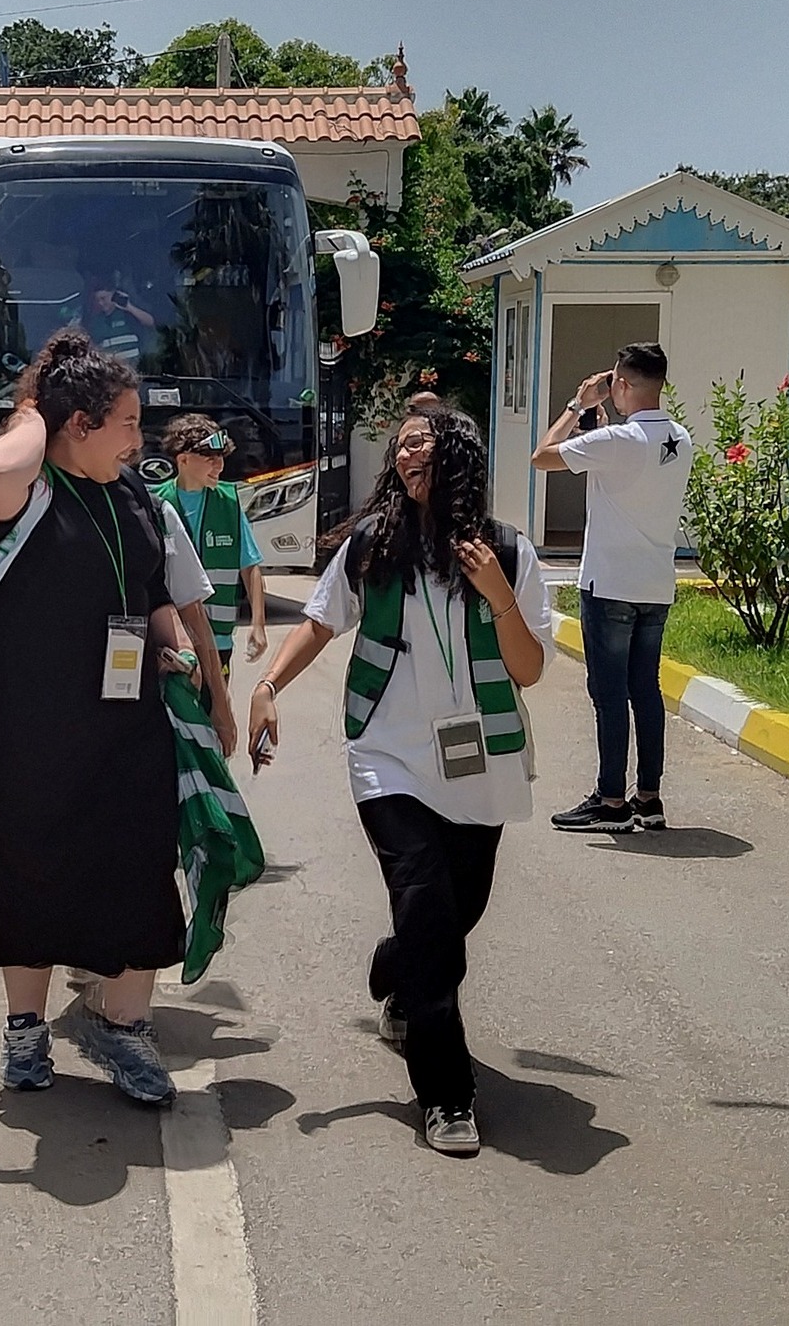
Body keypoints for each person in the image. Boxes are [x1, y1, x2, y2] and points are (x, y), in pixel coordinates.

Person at [248, 397, 553, 1157]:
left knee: (452, 917)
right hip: (389, 760)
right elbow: (319, 621)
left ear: (458, 460)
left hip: (479, 763)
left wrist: (499, 596)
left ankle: (397, 973)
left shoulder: (507, 553)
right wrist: (267, 686)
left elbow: (529, 668)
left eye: (425, 443)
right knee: (426, 913)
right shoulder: (372, 547)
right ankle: (447, 1096)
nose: (409, 454)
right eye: (402, 445)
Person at [0, 328, 193, 1106]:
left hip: (127, 722)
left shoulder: (130, 490)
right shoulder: (19, 488)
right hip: (29, 728)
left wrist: (174, 646)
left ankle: (126, 1030)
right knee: (28, 868)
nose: (137, 438)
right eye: (124, 421)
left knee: (137, 867)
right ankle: (26, 1030)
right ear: (75, 425)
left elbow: (151, 586)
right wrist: (30, 410)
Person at [531, 343, 693, 833]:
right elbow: (623, 465)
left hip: (609, 584)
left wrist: (576, 405)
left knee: (608, 694)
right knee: (646, 690)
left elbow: (542, 457)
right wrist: (601, 425)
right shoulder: (679, 438)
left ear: (621, 383)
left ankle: (609, 801)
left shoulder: (618, 441)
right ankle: (649, 796)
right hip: (655, 583)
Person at [152, 414, 269, 698]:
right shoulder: (155, 503)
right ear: (183, 460)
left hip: (218, 642)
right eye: (209, 458)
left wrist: (258, 624)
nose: (220, 466)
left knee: (215, 715)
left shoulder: (229, 503)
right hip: (173, 640)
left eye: (221, 457)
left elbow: (250, 567)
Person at [80, 276, 156, 369]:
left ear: (114, 294)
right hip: (113, 373)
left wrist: (128, 307)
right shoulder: (96, 322)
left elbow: (150, 322)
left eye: (103, 298)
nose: (100, 303)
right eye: (98, 300)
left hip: (136, 370)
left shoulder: (129, 315)